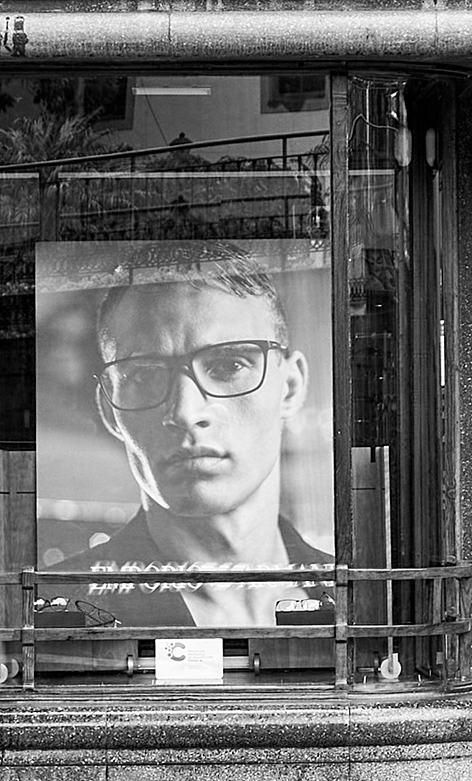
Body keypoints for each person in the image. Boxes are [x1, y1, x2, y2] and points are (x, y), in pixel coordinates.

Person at [67, 241, 330, 630]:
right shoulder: (63, 608)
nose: (186, 413)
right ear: (109, 409)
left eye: (228, 365)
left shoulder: (362, 597)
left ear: (289, 387)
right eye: (143, 375)